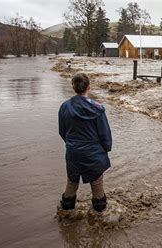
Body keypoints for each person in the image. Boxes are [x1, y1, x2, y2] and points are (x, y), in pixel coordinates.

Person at [58, 73, 112, 212]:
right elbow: (105, 134)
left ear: (73, 87)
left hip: (73, 152)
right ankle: (100, 216)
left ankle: (66, 212)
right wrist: (105, 149)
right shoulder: (97, 108)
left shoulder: (64, 107)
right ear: (88, 87)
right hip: (93, 152)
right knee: (96, 182)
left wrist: (71, 144)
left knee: (72, 181)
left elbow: (62, 131)